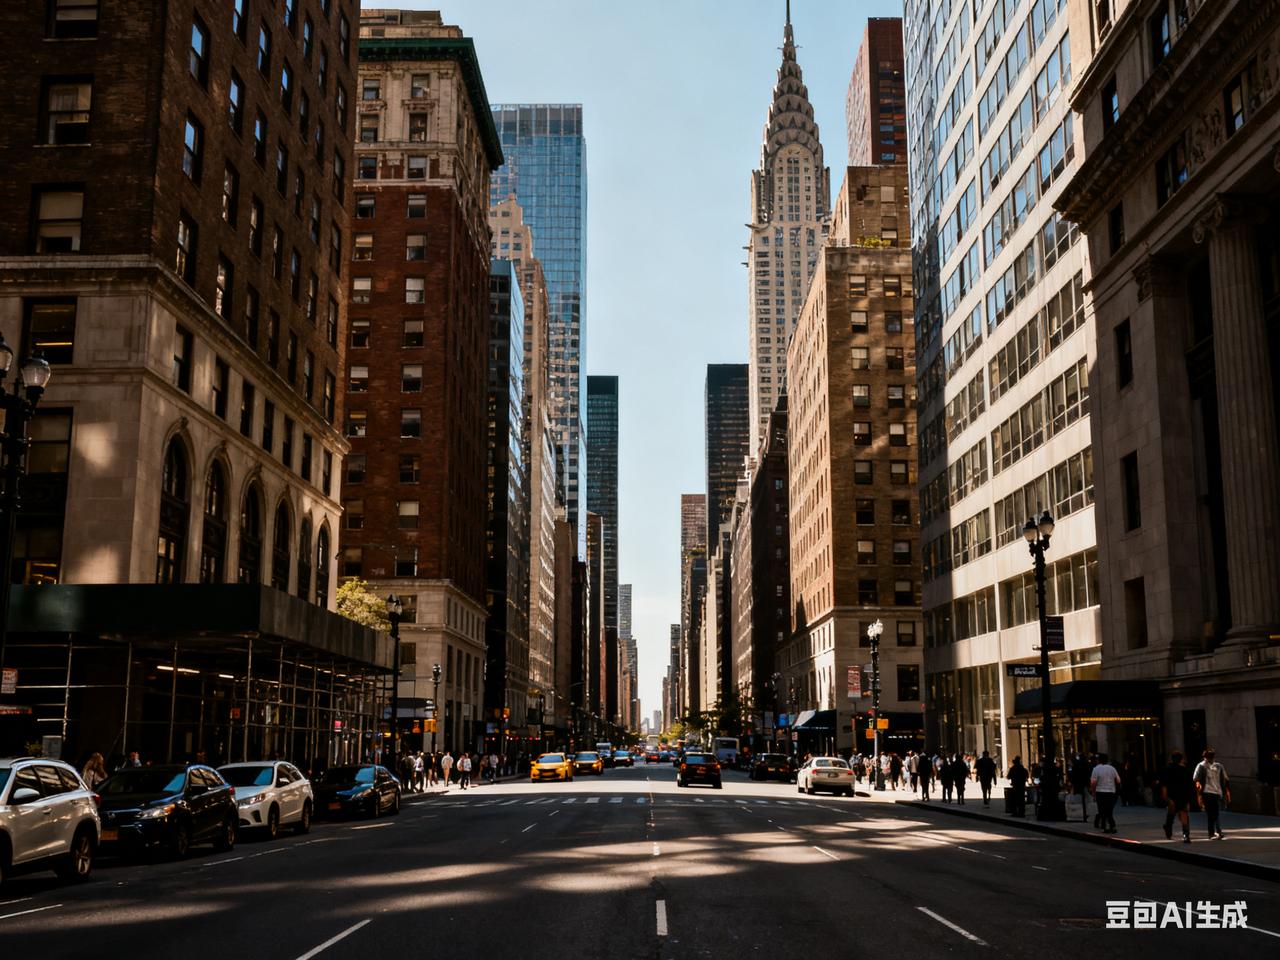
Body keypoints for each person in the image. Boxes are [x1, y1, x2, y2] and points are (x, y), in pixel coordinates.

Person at [1193, 748, 1229, 840]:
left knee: (1215, 813)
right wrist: (1199, 791)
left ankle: (1217, 832)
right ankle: (1212, 832)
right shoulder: (1201, 766)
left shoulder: (1219, 766)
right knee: (1210, 813)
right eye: (1208, 757)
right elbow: (1196, 778)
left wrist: (1225, 792)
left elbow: (1224, 779)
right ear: (1204, 757)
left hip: (1217, 792)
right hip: (1207, 792)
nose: (1209, 759)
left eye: (1211, 756)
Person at [1160, 751, 1193, 843]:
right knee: (1183, 814)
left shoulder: (1167, 769)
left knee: (1172, 813)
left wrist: (1165, 796)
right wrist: (1189, 798)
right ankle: (1186, 835)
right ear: (1181, 760)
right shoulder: (1185, 770)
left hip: (1172, 795)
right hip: (1182, 795)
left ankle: (1168, 828)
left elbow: (1164, 785)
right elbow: (1189, 785)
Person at [1090, 752, 1121, 834]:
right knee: (1109, 810)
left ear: (1098, 760)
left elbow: (1093, 782)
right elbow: (1118, 780)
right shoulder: (1112, 769)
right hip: (1111, 791)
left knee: (1102, 810)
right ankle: (1111, 826)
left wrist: (1093, 793)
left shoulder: (1096, 769)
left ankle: (1105, 826)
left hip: (1100, 792)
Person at [1069, 754, 1093, 823]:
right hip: (1084, 784)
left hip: (1077, 784)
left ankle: (1079, 814)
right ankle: (1085, 813)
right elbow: (1088, 775)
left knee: (1078, 800)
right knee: (1085, 799)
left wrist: (1072, 782)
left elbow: (1072, 775)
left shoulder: (1075, 766)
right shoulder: (1086, 765)